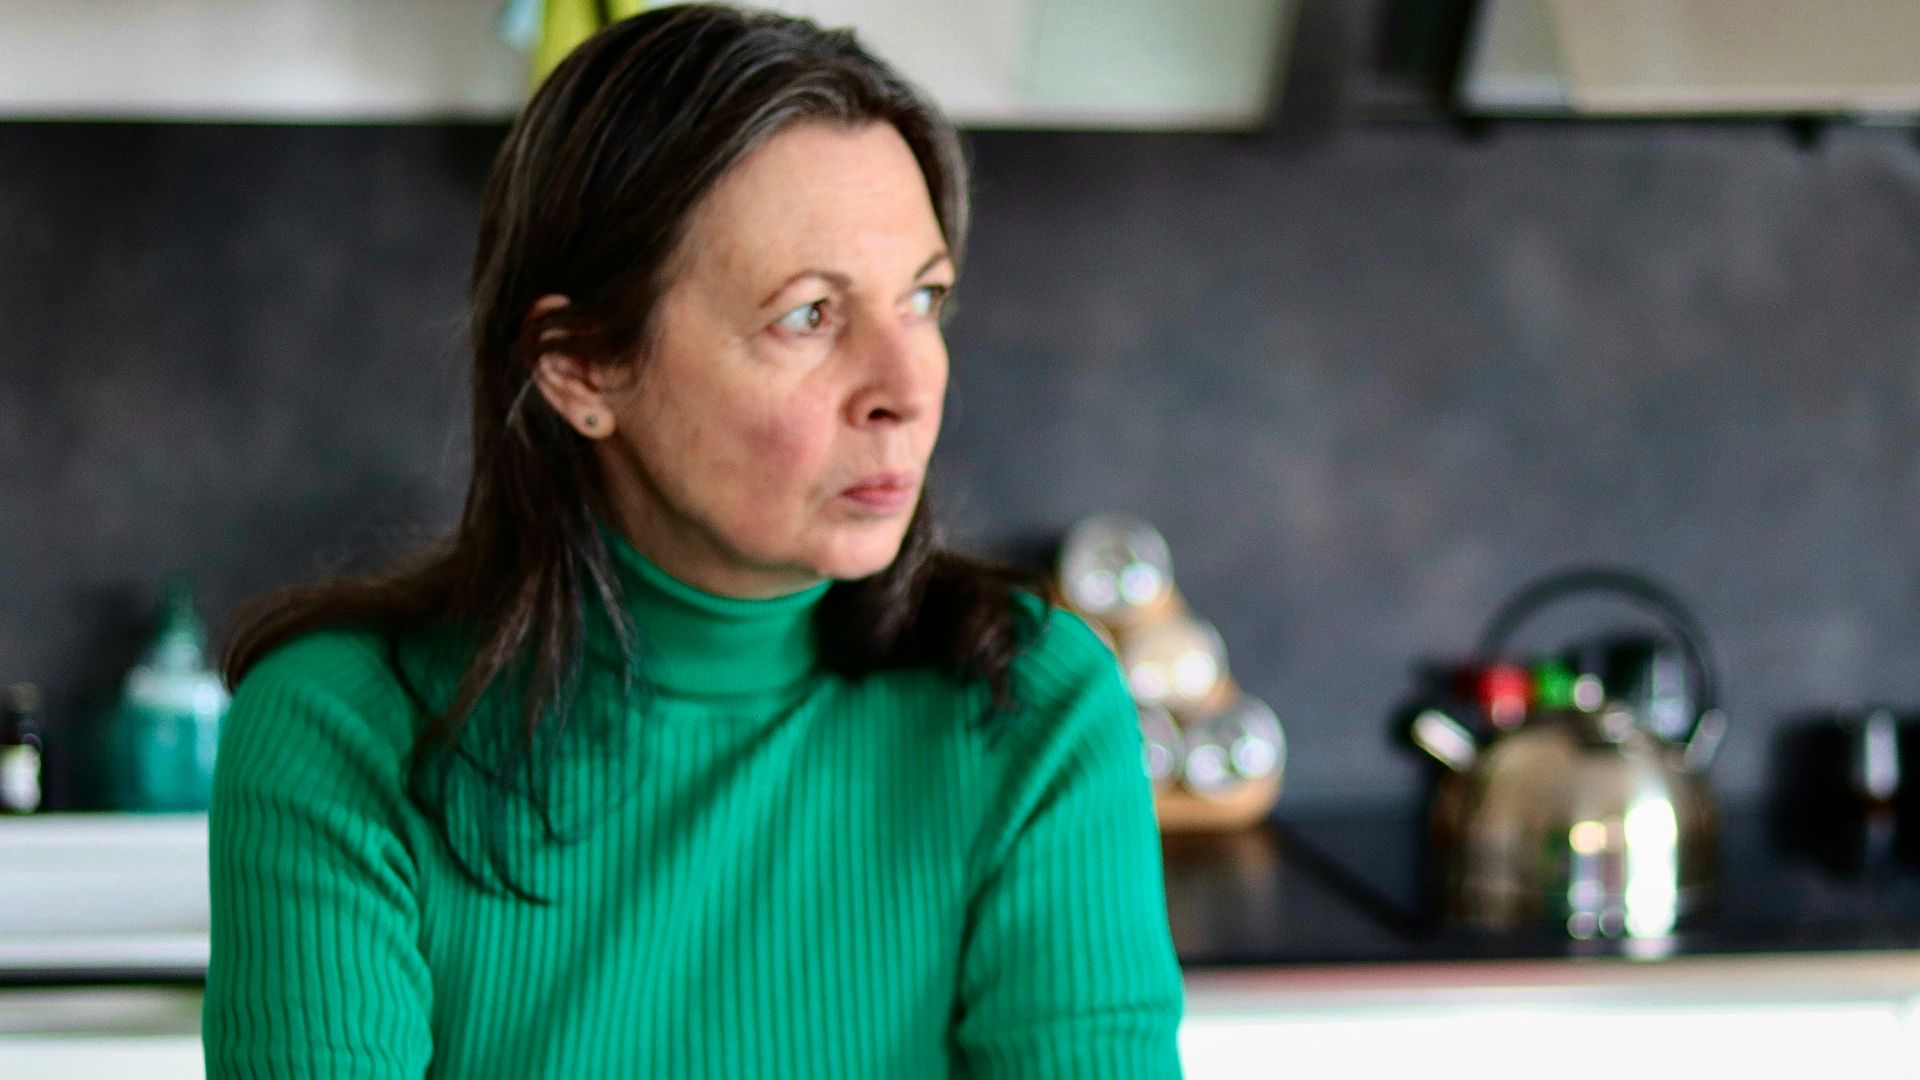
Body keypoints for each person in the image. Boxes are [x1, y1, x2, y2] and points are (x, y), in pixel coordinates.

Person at [201, 5, 1184, 1076]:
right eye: (809, 316)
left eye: (923, 299)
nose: (906, 388)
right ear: (581, 366)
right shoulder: (342, 733)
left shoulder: (1034, 708)